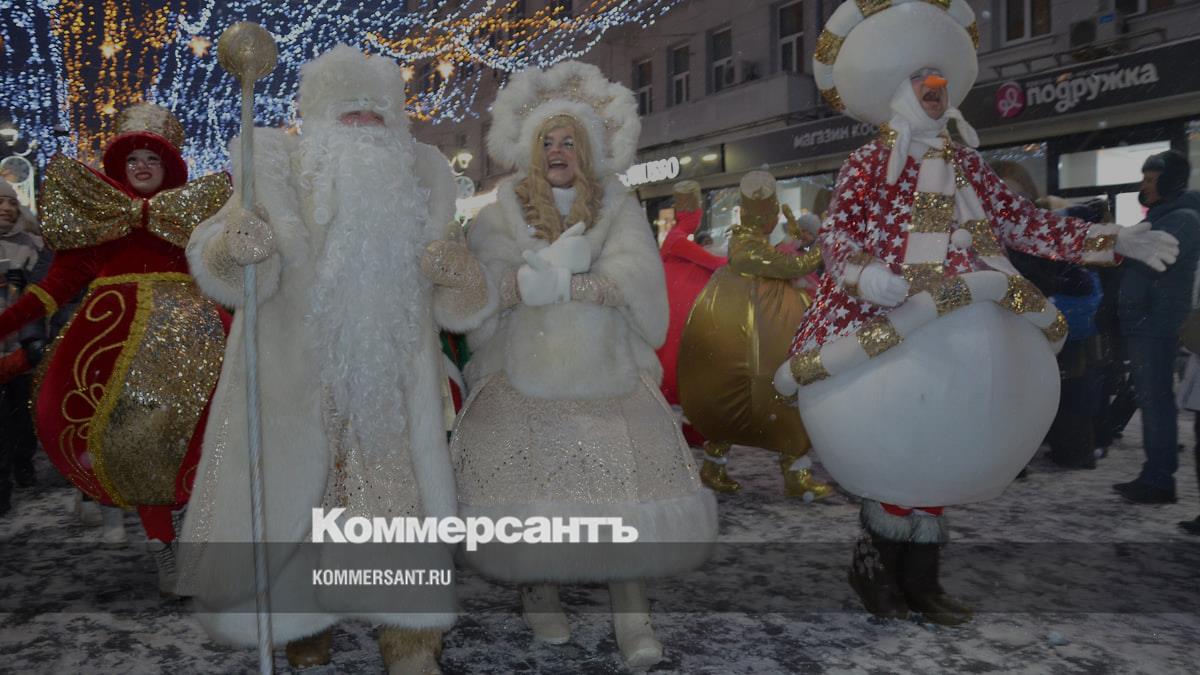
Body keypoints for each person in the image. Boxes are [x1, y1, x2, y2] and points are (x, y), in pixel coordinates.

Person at [778, 0, 1178, 625]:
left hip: (984, 301)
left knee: (950, 446)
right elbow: (838, 232)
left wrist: (1110, 239)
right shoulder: (868, 164)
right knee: (896, 445)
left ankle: (923, 580)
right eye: (921, 79)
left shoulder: (967, 164)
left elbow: (1022, 221)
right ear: (897, 90)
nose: (933, 88)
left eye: (939, 78)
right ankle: (876, 569)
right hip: (893, 312)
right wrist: (866, 273)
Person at [421, 60, 716, 670]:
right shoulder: (498, 214)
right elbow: (482, 290)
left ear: (586, 150)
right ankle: (539, 591)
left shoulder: (618, 206)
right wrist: (522, 285)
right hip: (522, 374)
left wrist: (585, 286)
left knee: (622, 496)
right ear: (532, 151)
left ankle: (632, 613)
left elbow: (638, 275)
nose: (558, 152)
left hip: (606, 374)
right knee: (534, 493)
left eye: (568, 141)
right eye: (548, 142)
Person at [177, 46, 459, 674]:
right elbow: (218, 253)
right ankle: (305, 627)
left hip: (389, 389)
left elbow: (457, 294)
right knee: (302, 513)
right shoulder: (276, 171)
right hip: (298, 380)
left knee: (393, 512)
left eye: (375, 115)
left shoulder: (420, 182)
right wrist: (236, 245)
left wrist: (460, 276)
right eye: (348, 112)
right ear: (319, 117)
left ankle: (410, 641)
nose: (362, 125)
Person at [0, 104, 232, 586]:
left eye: (153, 158)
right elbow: (54, 287)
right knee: (141, 446)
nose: (142, 166)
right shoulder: (99, 221)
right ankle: (164, 547)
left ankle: (200, 542)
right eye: (133, 159)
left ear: (169, 166)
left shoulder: (197, 221)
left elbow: (229, 277)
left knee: (210, 441)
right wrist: (6, 323)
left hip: (194, 346)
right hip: (114, 350)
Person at [678, 170, 832, 500]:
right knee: (759, 392)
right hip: (747, 336)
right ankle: (782, 471)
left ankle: (784, 470)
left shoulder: (751, 244)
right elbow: (791, 266)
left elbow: (782, 261)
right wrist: (825, 247)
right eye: (772, 215)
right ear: (765, 217)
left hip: (753, 326)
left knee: (751, 395)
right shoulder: (747, 248)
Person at [1112, 150, 1200, 504]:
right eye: (1144, 179)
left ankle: (1159, 479)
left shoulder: (1181, 219)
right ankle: (1156, 475)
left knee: (1156, 401)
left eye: (1151, 179)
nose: (1144, 185)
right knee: (1153, 399)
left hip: (1154, 322)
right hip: (1147, 320)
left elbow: (1147, 267)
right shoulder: (1166, 216)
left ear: (1171, 181)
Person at [656, 180, 726, 447]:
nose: (698, 219)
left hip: (677, 312)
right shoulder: (677, 239)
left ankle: (689, 427)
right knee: (682, 367)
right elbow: (713, 262)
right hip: (678, 316)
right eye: (696, 214)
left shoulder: (677, 239)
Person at [0, 180, 43, 515]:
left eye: (11, 202)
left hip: (21, 346)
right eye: (0, 202)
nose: (6, 208)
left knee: (24, 414)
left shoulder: (32, 245)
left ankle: (23, 462)